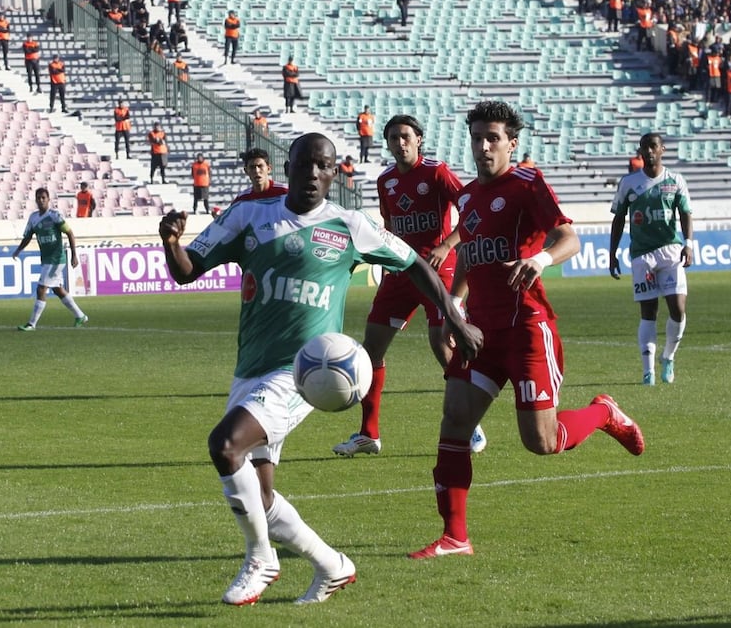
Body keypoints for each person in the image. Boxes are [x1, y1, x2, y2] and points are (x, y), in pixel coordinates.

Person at [158, 131, 482, 606]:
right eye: (304, 163)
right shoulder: (250, 215)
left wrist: (455, 316)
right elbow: (187, 270)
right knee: (260, 496)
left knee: (225, 447)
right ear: (287, 166)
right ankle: (332, 564)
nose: (312, 172)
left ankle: (260, 559)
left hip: (303, 372)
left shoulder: (350, 225)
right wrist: (171, 241)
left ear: (334, 173)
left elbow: (416, 264)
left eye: (323, 165)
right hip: (251, 368)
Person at [411, 100, 644, 561]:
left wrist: (539, 259)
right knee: (455, 419)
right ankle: (455, 536)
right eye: (477, 137)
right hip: (481, 332)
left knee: (540, 441)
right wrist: (452, 310)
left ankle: (603, 413)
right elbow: (472, 257)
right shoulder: (468, 196)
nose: (483, 146)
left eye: (492, 138)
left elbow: (569, 238)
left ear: (511, 143)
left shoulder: (526, 184)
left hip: (527, 328)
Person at [333, 114, 486, 458]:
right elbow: (389, 227)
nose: (399, 143)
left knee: (440, 342)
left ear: (419, 139)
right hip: (400, 273)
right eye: (392, 138)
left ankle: (470, 421)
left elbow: (472, 211)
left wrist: (447, 246)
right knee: (371, 347)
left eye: (405, 137)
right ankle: (368, 434)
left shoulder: (436, 172)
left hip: (436, 272)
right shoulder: (385, 180)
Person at [608, 132, 693, 386]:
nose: (649, 151)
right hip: (642, 255)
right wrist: (612, 253)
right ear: (640, 151)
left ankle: (668, 357)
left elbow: (686, 213)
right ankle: (648, 372)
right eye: (645, 147)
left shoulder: (675, 181)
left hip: (670, 251)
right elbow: (618, 218)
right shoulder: (629, 183)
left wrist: (688, 244)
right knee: (648, 312)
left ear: (662, 149)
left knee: (678, 310)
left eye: (653, 146)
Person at [13, 188, 88, 331]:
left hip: (56, 259)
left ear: (48, 199)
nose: (41, 200)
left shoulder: (55, 216)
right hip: (47, 259)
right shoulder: (33, 218)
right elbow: (28, 237)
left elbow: (70, 233)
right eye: (38, 198)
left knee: (41, 289)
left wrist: (73, 254)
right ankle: (80, 316)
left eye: (43, 198)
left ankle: (31, 324)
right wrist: (18, 250)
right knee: (58, 290)